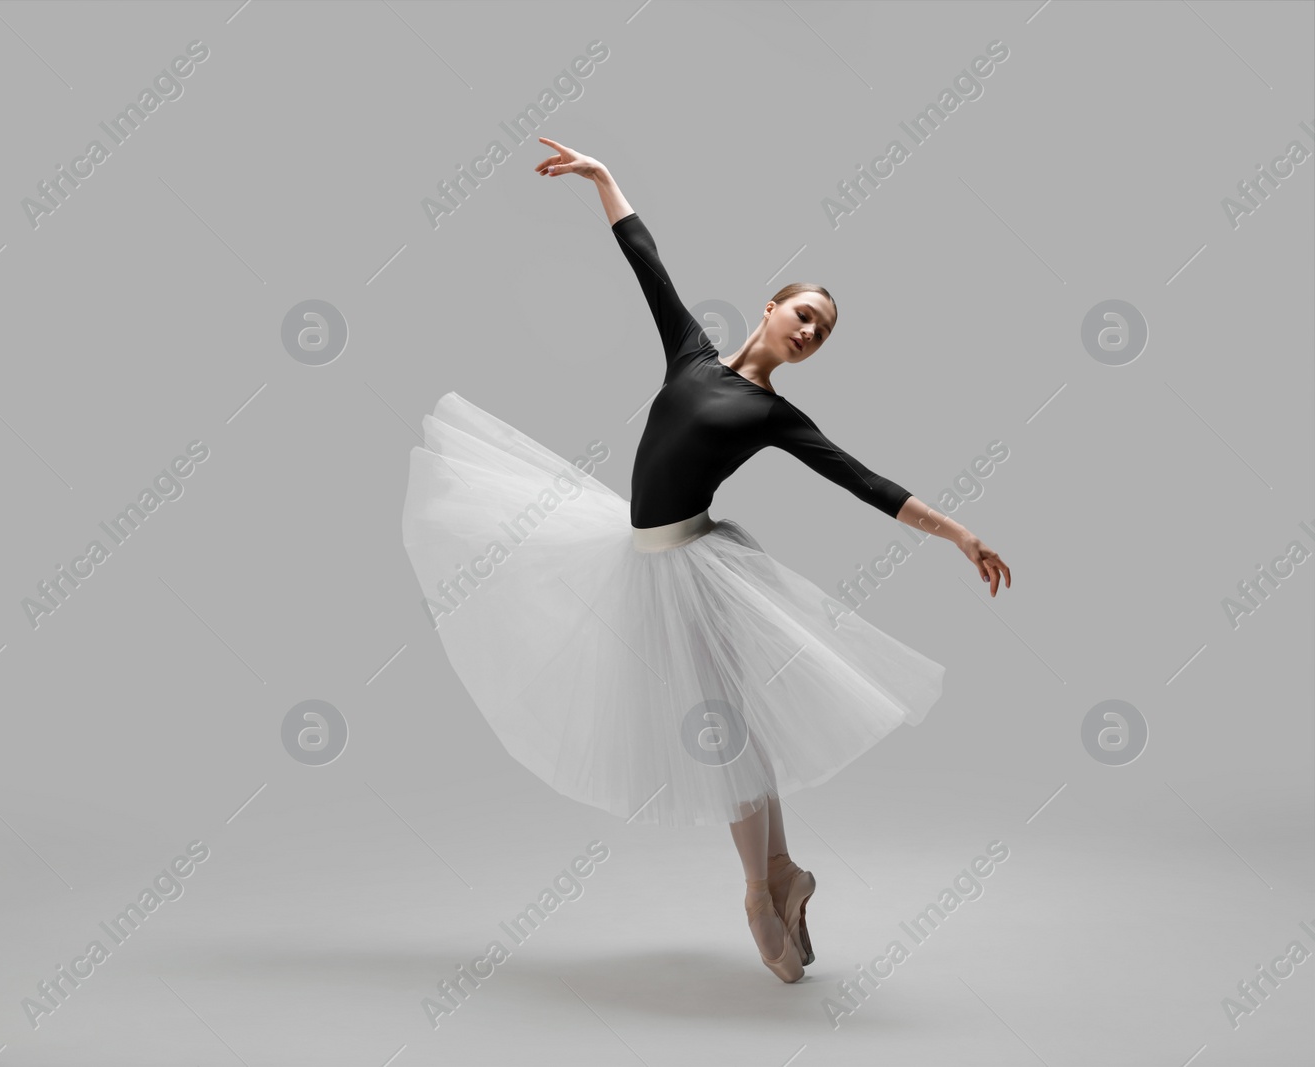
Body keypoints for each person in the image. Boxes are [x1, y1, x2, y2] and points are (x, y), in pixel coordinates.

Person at [401, 138, 1010, 984]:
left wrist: (959, 534)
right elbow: (645, 262)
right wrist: (604, 178)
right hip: (631, 556)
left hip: (697, 572)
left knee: (724, 733)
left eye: (822, 334)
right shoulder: (689, 352)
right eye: (804, 315)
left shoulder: (773, 415)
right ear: (769, 306)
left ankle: (761, 891)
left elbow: (865, 482)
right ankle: (784, 871)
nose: (809, 333)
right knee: (730, 732)